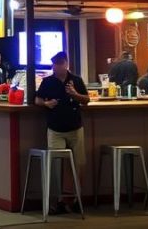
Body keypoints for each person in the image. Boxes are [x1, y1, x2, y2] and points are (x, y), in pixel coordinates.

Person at [34, 51, 88, 215]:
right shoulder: (48, 81)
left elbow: (86, 100)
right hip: (55, 128)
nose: (56, 68)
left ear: (66, 64)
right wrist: (46, 103)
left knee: (78, 164)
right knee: (56, 165)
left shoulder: (76, 80)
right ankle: (58, 201)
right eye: (54, 65)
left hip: (75, 128)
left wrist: (74, 94)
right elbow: (37, 99)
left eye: (59, 65)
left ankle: (75, 199)